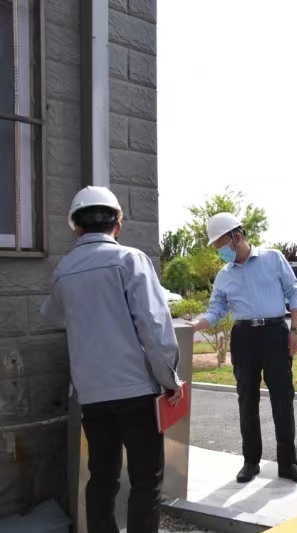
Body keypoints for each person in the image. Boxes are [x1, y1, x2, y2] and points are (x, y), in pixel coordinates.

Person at [40, 186, 183, 533]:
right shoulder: (130, 260)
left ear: (76, 227)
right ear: (117, 224)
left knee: (102, 477)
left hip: (92, 395)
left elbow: (51, 316)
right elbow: (154, 326)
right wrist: (170, 379)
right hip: (136, 391)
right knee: (146, 479)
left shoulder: (64, 269)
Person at [190, 212, 297, 484]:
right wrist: (196, 324)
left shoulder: (272, 258)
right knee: (246, 399)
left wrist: (295, 330)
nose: (219, 250)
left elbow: (293, 292)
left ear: (237, 236)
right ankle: (250, 461)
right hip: (243, 337)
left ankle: (288, 463)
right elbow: (216, 310)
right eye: (216, 246)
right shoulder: (224, 276)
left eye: (221, 243)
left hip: (275, 332)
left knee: (282, 398)